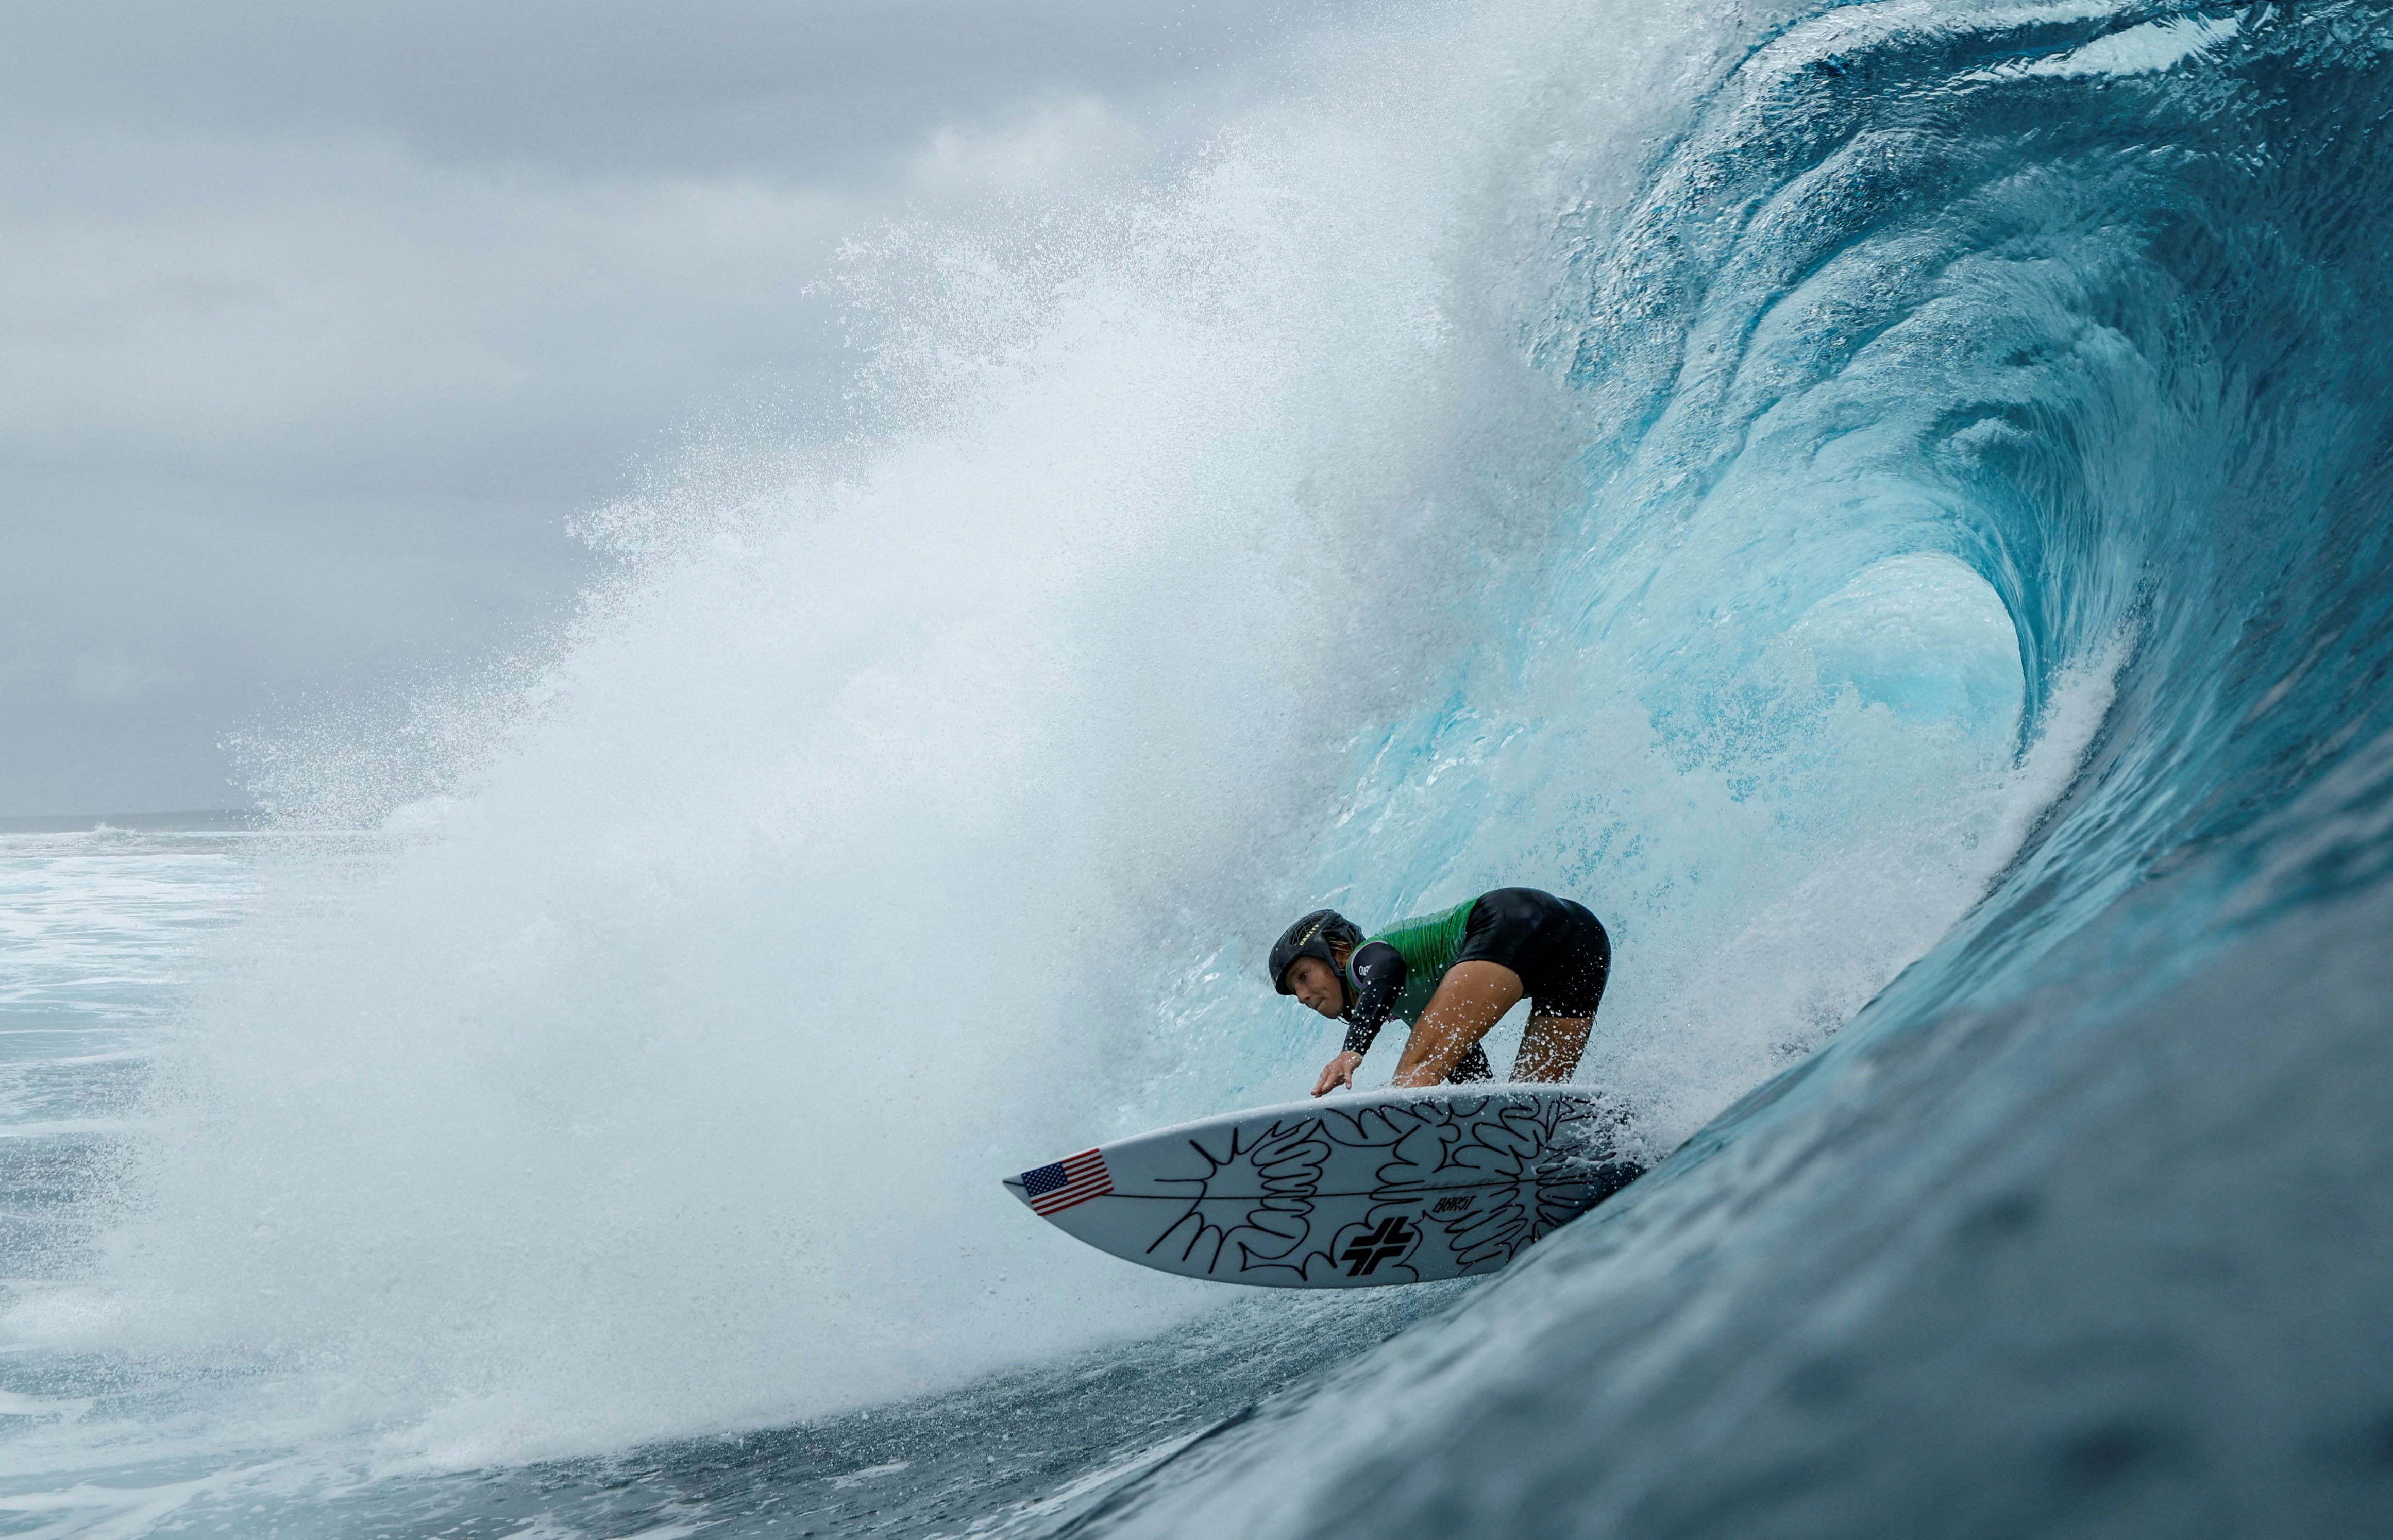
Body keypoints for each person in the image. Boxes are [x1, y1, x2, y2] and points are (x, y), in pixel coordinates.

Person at [1268, 888, 1610, 1097]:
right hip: (1583, 940)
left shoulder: (1364, 958)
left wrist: (1352, 1051)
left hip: (1513, 919)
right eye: (1293, 990)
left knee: (1410, 1079)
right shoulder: (1420, 1006)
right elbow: (1473, 1079)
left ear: (1338, 952)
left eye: (1303, 975)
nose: (1301, 995)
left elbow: (1387, 970)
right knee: (1532, 1105)